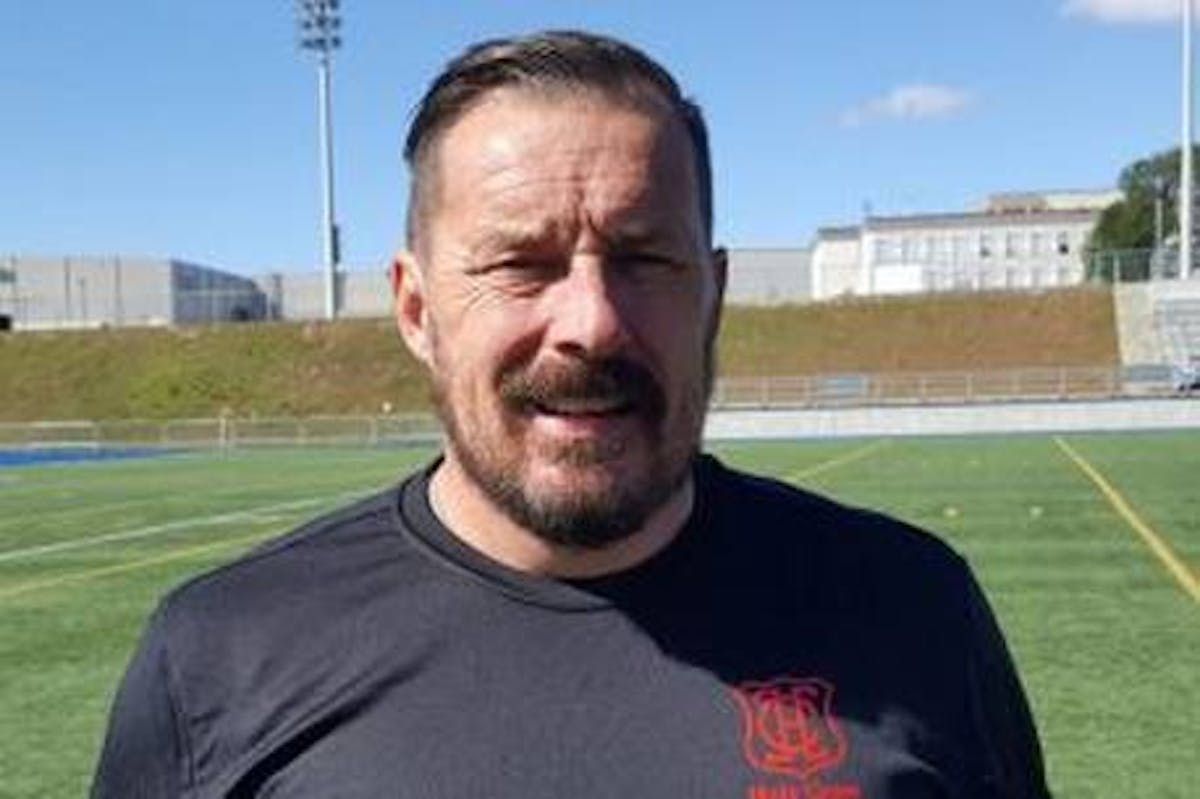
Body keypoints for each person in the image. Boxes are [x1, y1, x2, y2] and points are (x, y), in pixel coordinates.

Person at [92, 30, 1050, 798]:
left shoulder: (914, 605)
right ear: (417, 310)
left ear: (712, 295)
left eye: (644, 259)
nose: (591, 323)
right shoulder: (220, 656)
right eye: (521, 264)